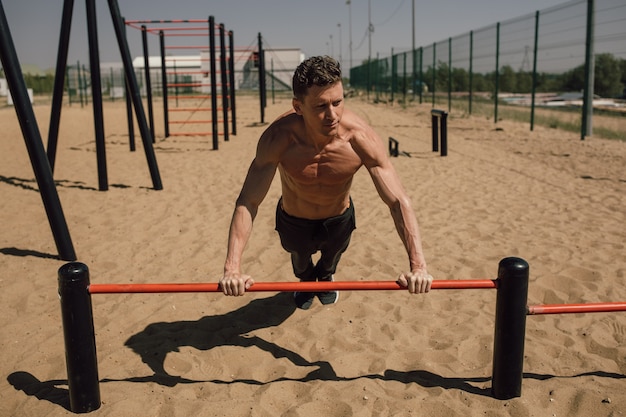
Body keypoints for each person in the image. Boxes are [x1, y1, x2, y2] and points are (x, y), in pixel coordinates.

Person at [219, 55, 432, 309]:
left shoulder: (359, 137)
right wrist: (232, 268)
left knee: (331, 259)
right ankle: (306, 277)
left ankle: (326, 274)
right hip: (294, 220)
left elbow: (397, 200)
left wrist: (418, 266)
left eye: (338, 102)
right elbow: (248, 201)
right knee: (300, 262)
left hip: (338, 219)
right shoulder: (278, 138)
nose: (333, 115)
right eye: (321, 106)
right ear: (298, 106)